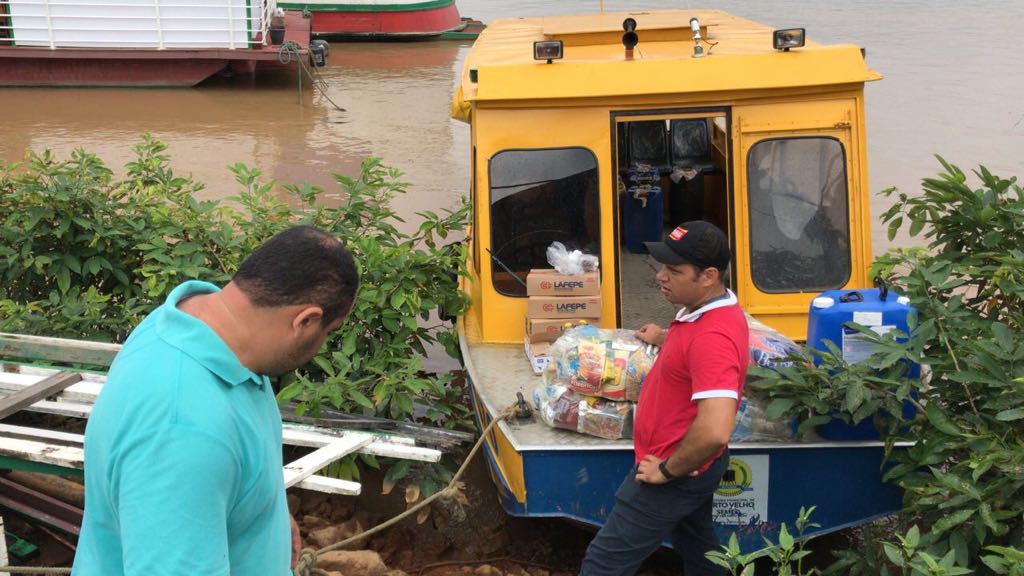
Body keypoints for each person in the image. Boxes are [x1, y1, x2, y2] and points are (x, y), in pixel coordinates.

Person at [72, 225, 359, 576]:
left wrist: (264, 513)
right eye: (327, 334)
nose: (322, 347)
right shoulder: (184, 432)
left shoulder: (193, 321)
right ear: (306, 320)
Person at [580, 220, 749, 576]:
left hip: (676, 468)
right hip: (696, 466)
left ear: (708, 276)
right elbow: (692, 353)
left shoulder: (713, 337)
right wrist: (662, 337)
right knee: (698, 546)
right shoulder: (700, 310)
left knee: (603, 564)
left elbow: (716, 429)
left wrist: (667, 471)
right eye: (662, 266)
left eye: (674, 270)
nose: (660, 276)